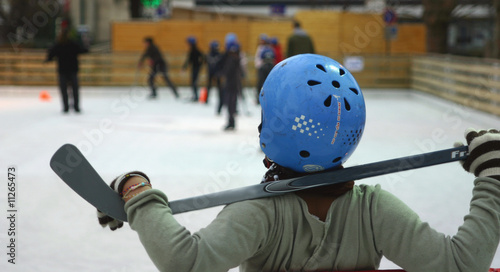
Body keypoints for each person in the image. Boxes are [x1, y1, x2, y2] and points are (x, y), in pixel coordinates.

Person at [97, 54, 500, 272]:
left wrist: (137, 192)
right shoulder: (374, 211)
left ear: (272, 136)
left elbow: (184, 262)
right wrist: (494, 179)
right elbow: (462, 265)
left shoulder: (258, 213)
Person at [45, 28, 88, 113]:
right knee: (74, 90)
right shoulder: (73, 44)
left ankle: (66, 107)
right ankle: (75, 107)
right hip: (72, 70)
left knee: (64, 90)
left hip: (63, 71)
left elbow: (51, 54)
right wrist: (86, 45)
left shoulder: (58, 44)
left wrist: (48, 59)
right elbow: (83, 50)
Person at [182, 36, 205, 102]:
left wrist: (199, 65)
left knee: (194, 82)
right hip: (195, 67)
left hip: (196, 68)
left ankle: (196, 96)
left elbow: (189, 59)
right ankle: (195, 96)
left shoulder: (195, 50)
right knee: (193, 82)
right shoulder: (193, 49)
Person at [205, 40, 222, 106]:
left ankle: (219, 99)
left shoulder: (210, 54)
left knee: (214, 86)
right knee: (215, 86)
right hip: (214, 72)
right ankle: (219, 99)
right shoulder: (216, 54)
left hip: (214, 72)